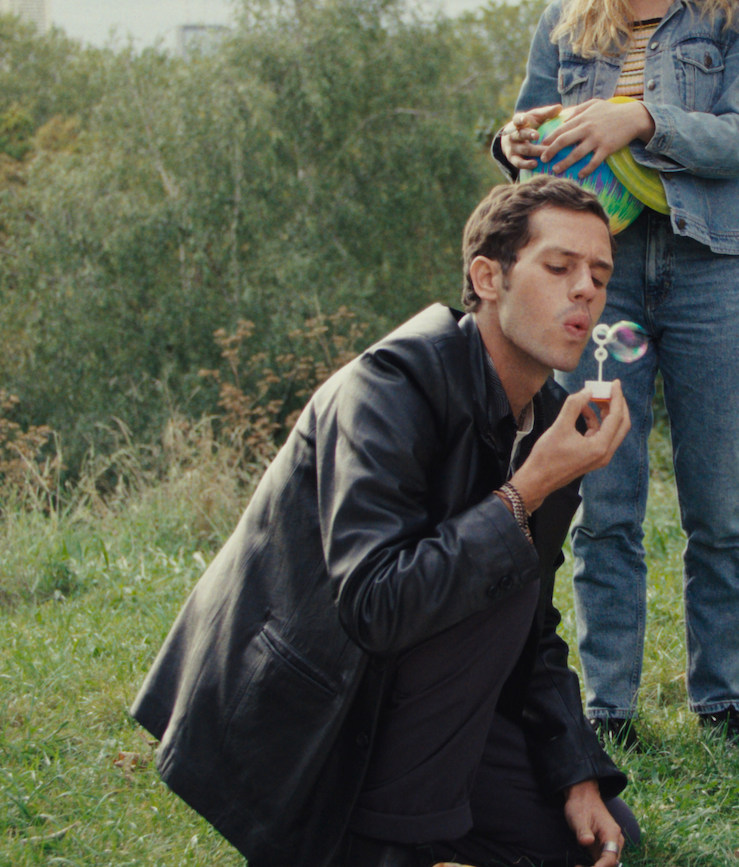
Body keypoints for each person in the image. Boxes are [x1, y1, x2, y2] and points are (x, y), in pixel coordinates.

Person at [131, 180, 640, 867]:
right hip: (310, 718)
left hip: (409, 703)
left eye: (600, 276)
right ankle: (390, 845)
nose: (585, 290)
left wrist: (574, 769)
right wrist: (529, 489)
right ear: (488, 278)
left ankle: (422, 834)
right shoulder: (389, 388)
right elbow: (377, 602)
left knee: (598, 837)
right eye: (559, 268)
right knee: (502, 560)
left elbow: (533, 627)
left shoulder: (551, 418)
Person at [491, 0, 739, 750]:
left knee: (719, 507)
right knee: (604, 500)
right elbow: (534, 141)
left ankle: (720, 703)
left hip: (712, 270)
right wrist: (512, 144)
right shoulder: (568, 15)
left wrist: (642, 120)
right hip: (603, 281)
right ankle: (609, 710)